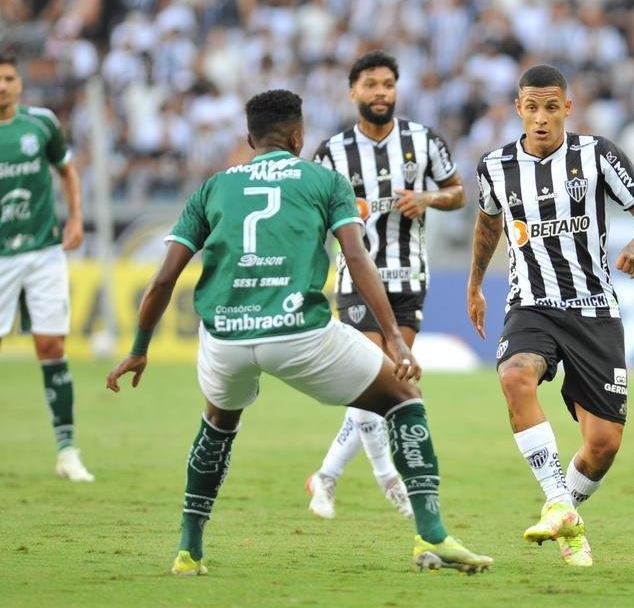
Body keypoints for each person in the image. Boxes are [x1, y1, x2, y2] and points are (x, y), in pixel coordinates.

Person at [105, 89, 491, 576]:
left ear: (249, 137)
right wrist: (393, 338)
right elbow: (356, 258)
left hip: (225, 337)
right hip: (298, 333)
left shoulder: (212, 188)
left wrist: (139, 349)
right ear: (297, 135)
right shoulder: (324, 181)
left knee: (218, 425)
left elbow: (163, 278)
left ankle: (188, 550)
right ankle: (432, 535)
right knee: (403, 397)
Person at [468, 64, 634, 567]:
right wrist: (474, 285)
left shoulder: (595, 154)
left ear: (567, 109)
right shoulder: (496, 165)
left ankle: (565, 513)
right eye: (531, 108)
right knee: (514, 376)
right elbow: (488, 221)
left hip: (594, 309)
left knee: (602, 445)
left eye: (551, 107)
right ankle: (557, 498)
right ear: (518, 109)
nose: (541, 118)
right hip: (531, 303)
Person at [305, 50, 464, 521]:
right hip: (357, 279)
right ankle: (382, 478)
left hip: (410, 278)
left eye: (388, 84)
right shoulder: (331, 152)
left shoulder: (423, 140)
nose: (381, 93)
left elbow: (458, 193)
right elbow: (312, 215)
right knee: (372, 378)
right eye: (371, 84)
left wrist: (427, 197)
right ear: (353, 91)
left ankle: (327, 476)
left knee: (389, 384)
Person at [0, 54, 90, 481]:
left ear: (20, 83)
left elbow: (67, 171)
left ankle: (67, 451)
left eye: (9, 78)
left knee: (52, 347)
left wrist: (75, 217)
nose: (2, 86)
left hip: (42, 252)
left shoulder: (41, 124)